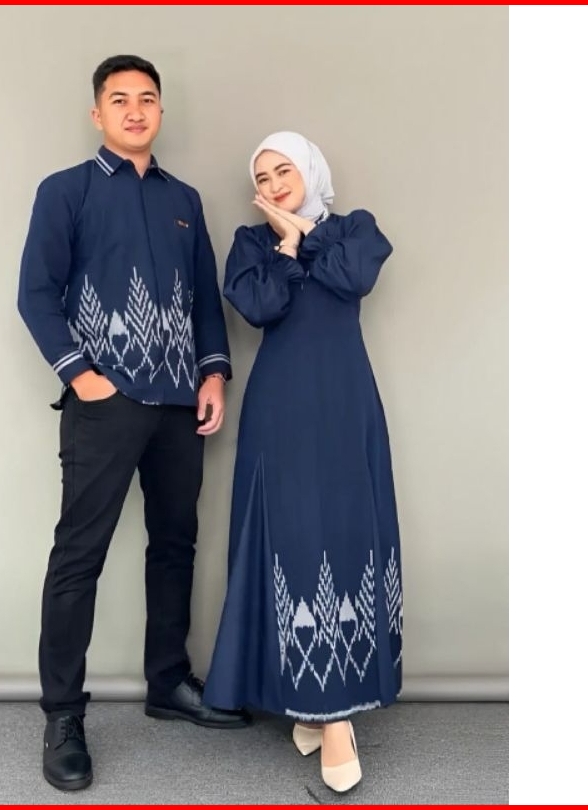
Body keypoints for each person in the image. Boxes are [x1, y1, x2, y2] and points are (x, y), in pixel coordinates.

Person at [17, 54, 249, 793]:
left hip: (179, 405)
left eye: (147, 98)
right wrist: (82, 376)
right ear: (98, 113)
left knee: (175, 544)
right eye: (119, 100)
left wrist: (212, 373)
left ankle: (168, 682)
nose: (135, 110)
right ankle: (63, 716)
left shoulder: (184, 200)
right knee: (78, 556)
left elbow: (205, 299)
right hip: (105, 403)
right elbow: (36, 292)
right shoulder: (67, 191)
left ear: (160, 111)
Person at [203, 131, 403, 793]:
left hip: (345, 402)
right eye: (262, 178)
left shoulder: (353, 229)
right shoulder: (252, 244)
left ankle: (330, 709)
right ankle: (321, 709)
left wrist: (307, 234)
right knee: (291, 540)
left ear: (311, 170)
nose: (273, 185)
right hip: (281, 409)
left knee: (342, 536)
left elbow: (353, 278)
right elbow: (261, 307)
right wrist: (285, 247)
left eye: (283, 170)